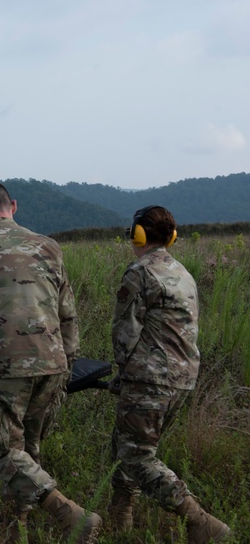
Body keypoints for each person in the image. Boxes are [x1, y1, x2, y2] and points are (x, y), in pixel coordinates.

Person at [0, 182, 101, 543]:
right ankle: (16, 527)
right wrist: (67, 364)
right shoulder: (49, 246)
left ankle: (70, 514)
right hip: (53, 360)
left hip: (4, 362)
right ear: (13, 206)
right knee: (27, 451)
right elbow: (68, 314)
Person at [108, 205, 230, 542]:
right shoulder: (183, 272)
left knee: (136, 457)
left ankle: (201, 521)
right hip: (182, 378)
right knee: (124, 444)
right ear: (172, 237)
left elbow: (124, 332)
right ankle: (121, 516)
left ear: (139, 235)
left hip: (151, 379)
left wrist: (123, 371)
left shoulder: (140, 272)